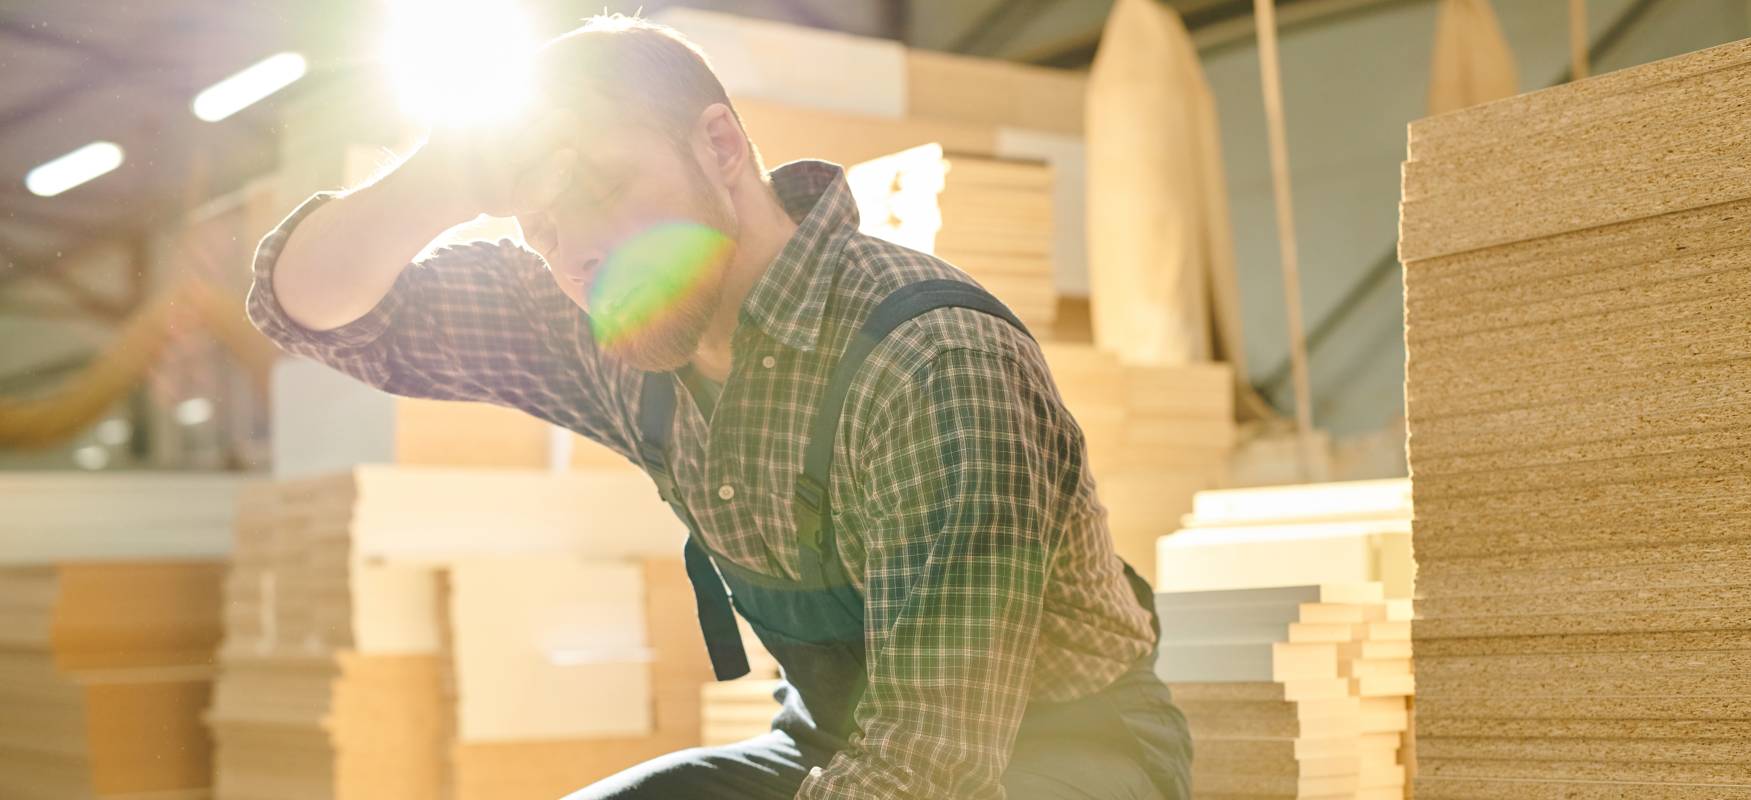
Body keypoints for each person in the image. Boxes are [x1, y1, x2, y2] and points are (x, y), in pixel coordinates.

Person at [247, 14, 1191, 800]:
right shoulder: (611, 311)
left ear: (721, 146)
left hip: (1061, 756)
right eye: (544, 229)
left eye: (607, 190)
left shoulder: (931, 366)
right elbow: (315, 305)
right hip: (831, 752)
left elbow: (927, 768)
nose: (580, 255)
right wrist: (454, 174)